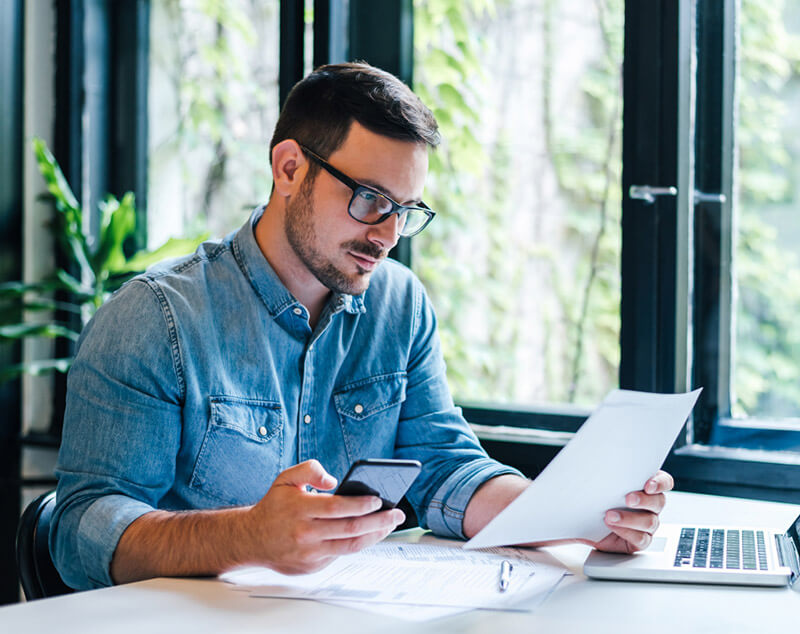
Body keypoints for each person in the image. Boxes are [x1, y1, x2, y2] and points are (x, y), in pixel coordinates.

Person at [51, 62, 673, 590]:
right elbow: (82, 530)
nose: (387, 236)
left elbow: (442, 464)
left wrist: (575, 515)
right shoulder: (156, 317)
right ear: (290, 168)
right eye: (370, 199)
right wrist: (246, 536)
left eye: (405, 211)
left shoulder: (399, 305)